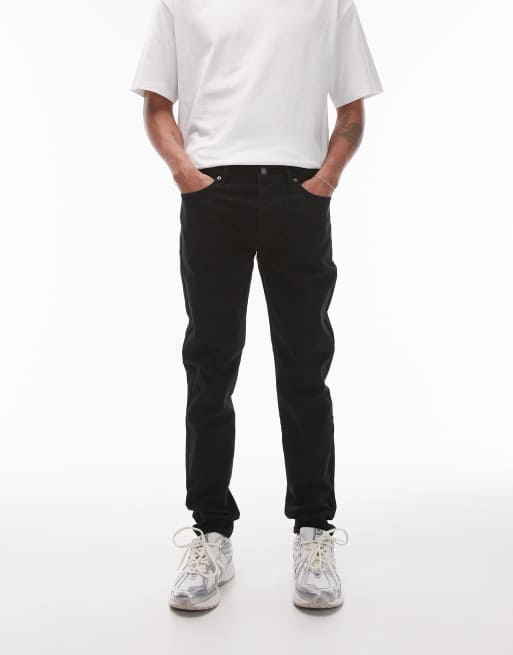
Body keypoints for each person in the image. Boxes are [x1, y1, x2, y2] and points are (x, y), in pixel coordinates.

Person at [130, 0, 383, 611]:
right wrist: (186, 174)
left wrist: (325, 181)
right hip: (212, 193)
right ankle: (211, 534)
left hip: (300, 191)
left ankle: (314, 531)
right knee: (210, 366)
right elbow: (157, 103)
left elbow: (351, 109)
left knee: (305, 368)